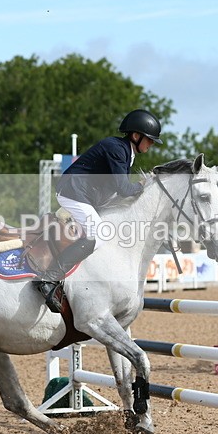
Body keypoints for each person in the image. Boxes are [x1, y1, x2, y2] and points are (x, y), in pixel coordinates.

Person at [33, 108, 162, 311]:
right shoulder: (117, 149)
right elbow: (124, 188)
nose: (152, 144)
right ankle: (48, 279)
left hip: (86, 194)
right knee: (99, 235)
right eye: (150, 139)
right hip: (73, 191)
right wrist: (146, 185)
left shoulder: (126, 152)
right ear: (136, 136)